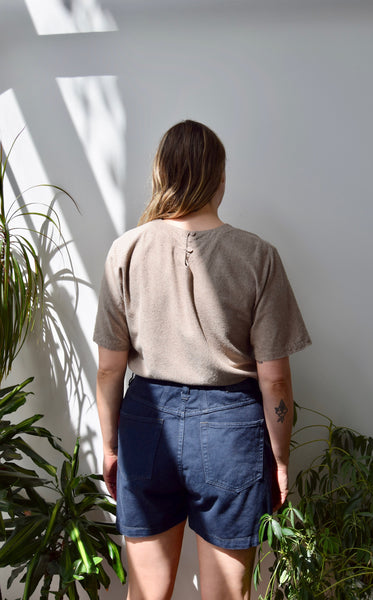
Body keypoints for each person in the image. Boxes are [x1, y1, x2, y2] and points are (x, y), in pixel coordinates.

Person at [93, 120, 311, 600]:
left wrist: (110, 448)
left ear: (160, 173)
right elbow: (275, 380)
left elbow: (109, 368)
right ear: (220, 177)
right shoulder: (257, 255)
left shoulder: (125, 250)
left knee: (146, 594)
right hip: (232, 429)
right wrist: (279, 459)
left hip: (145, 425)